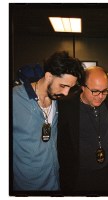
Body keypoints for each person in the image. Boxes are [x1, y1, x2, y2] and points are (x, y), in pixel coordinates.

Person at [12, 51, 84, 192]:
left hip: (54, 181)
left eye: (70, 87)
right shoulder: (14, 99)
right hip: (25, 186)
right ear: (49, 76)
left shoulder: (58, 102)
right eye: (63, 86)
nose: (66, 93)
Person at [57, 66, 108, 195]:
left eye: (105, 91)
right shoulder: (66, 106)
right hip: (78, 174)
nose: (100, 96)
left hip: (105, 172)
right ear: (82, 86)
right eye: (95, 91)